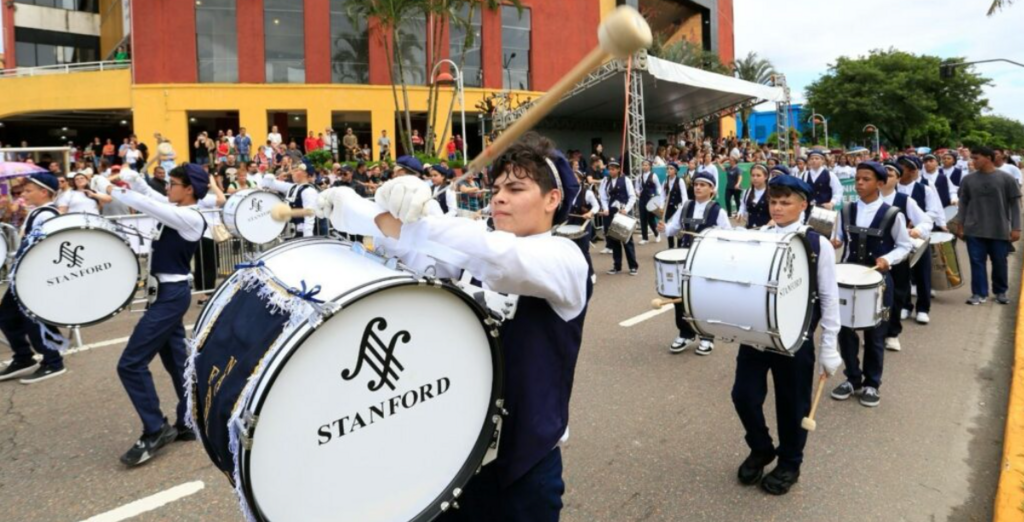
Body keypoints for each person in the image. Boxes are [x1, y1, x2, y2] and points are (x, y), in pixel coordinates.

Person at [315, 132, 590, 522]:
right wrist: (386, 207)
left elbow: (496, 257)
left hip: (525, 466)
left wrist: (367, 213)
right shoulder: (476, 252)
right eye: (495, 188)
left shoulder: (565, 260)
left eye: (515, 187)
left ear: (552, 199)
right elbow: (414, 253)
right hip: (455, 460)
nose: (498, 197)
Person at [731, 175, 841, 496]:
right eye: (773, 202)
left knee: (792, 405)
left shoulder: (817, 243)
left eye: (785, 202)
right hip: (757, 334)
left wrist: (829, 346)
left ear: (803, 205)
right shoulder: (758, 237)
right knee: (744, 396)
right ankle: (762, 447)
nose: (777, 208)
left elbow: (829, 298)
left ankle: (790, 461)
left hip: (796, 338)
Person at [92, 165, 210, 465]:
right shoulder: (176, 208)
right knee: (179, 364)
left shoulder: (190, 216)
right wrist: (134, 179)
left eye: (172, 184)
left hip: (170, 298)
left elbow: (148, 204)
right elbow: (152, 198)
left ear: (189, 190)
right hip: (165, 296)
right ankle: (188, 421)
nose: (167, 188)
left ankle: (155, 429)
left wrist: (113, 188)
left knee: (130, 364)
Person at [830, 162, 912, 408]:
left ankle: (872, 383)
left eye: (865, 179)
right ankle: (852, 378)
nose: (859, 183)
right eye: (857, 179)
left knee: (875, 335)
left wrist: (888, 259)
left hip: (878, 282)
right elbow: (840, 238)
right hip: (846, 279)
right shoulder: (845, 210)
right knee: (845, 332)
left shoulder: (892, 213)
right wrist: (834, 241)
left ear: (879, 183)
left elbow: (904, 246)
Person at [0, 173, 69, 384]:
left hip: (33, 276)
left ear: (44, 192)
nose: (24, 194)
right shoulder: (35, 212)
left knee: (35, 320)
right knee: (6, 316)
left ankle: (53, 362)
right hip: (21, 275)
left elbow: (43, 246)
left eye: (29, 190)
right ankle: (23, 357)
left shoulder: (46, 215)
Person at [658, 170, 730, 356]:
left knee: (702, 298)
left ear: (712, 189)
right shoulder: (686, 206)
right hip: (685, 257)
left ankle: (707, 336)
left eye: (703, 185)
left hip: (706, 260)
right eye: (696, 184)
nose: (698, 187)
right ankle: (685, 333)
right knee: (679, 297)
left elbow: (728, 237)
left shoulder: (718, 211)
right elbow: (673, 229)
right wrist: (664, 229)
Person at [950, 146, 1022, 306]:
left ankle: (1000, 291)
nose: (972, 161)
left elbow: (1015, 205)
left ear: (988, 158)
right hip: (974, 229)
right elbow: (963, 204)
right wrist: (960, 225)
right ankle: (978, 293)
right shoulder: (968, 180)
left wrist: (1016, 228)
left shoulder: (1006, 179)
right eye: (972, 158)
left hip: (999, 228)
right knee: (976, 262)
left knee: (999, 262)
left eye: (976, 158)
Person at [878, 161, 932, 352]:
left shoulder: (904, 200)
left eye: (890, 174)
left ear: (898, 179)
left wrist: (917, 230)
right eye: (882, 174)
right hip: (874, 254)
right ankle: (876, 333)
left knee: (897, 293)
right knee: (874, 296)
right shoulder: (868, 199)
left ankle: (892, 333)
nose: (885, 178)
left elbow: (926, 222)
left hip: (898, 254)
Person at [896, 156, 944, 325]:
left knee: (922, 273)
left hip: (920, 237)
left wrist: (917, 224)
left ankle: (923, 308)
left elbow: (933, 211)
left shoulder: (925, 189)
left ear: (912, 170)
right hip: (899, 237)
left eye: (901, 168)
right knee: (902, 273)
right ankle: (905, 305)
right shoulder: (891, 189)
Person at [599, 159, 639, 276]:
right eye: (609, 169)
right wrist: (605, 208)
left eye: (613, 169)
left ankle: (633, 266)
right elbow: (603, 197)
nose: (611, 171)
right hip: (611, 213)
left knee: (627, 240)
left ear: (618, 169)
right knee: (614, 239)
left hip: (623, 213)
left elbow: (632, 196)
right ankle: (617, 266)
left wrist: (626, 209)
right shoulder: (605, 181)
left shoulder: (625, 180)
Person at [262, 164, 324, 238]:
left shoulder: (308, 191)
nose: (292, 173)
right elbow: (267, 183)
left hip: (302, 233)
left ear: (305, 174)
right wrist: (277, 175)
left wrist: (307, 238)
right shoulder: (292, 187)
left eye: (297, 171)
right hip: (291, 232)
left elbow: (309, 216)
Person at [635, 159, 663, 244]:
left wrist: (658, 195)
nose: (645, 166)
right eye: (643, 165)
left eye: (646, 165)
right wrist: (637, 192)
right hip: (642, 198)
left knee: (650, 218)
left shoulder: (654, 176)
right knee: (643, 218)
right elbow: (636, 187)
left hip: (651, 198)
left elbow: (658, 187)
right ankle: (645, 238)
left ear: (650, 166)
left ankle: (657, 234)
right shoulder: (639, 177)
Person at [662, 162, 688, 249]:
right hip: (668, 208)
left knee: (678, 229)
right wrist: (662, 206)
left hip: (678, 208)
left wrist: (683, 207)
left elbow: (684, 195)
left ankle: (680, 247)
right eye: (668, 168)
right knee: (668, 227)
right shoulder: (665, 181)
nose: (669, 170)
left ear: (675, 171)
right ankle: (671, 247)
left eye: (671, 168)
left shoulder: (680, 181)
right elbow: (662, 195)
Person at [738, 163, 770, 229]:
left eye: (758, 175)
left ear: (766, 177)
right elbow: (743, 205)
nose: (755, 178)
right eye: (753, 175)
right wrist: (740, 213)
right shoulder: (747, 192)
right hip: (750, 229)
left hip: (767, 232)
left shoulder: (771, 192)